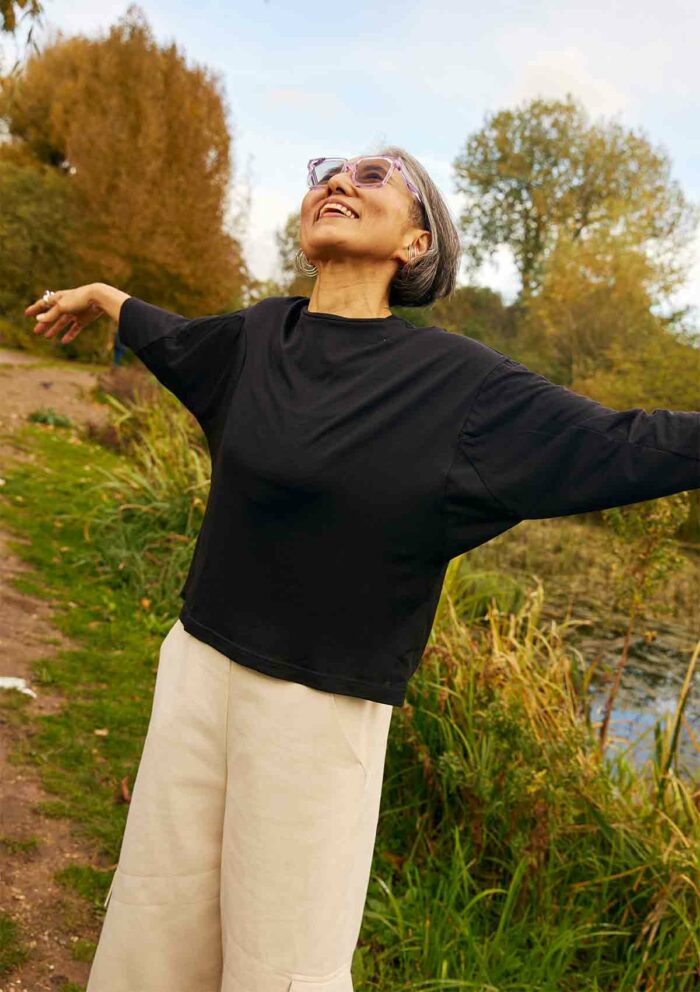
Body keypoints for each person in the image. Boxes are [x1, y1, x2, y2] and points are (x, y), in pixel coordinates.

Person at [25, 146, 700, 992]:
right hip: (196, 670)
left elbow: (620, 442)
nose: (339, 180)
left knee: (281, 966)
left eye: (374, 176)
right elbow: (172, 338)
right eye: (327, 170)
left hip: (316, 714)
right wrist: (103, 299)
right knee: (155, 923)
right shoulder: (258, 334)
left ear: (416, 244)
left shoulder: (462, 387)